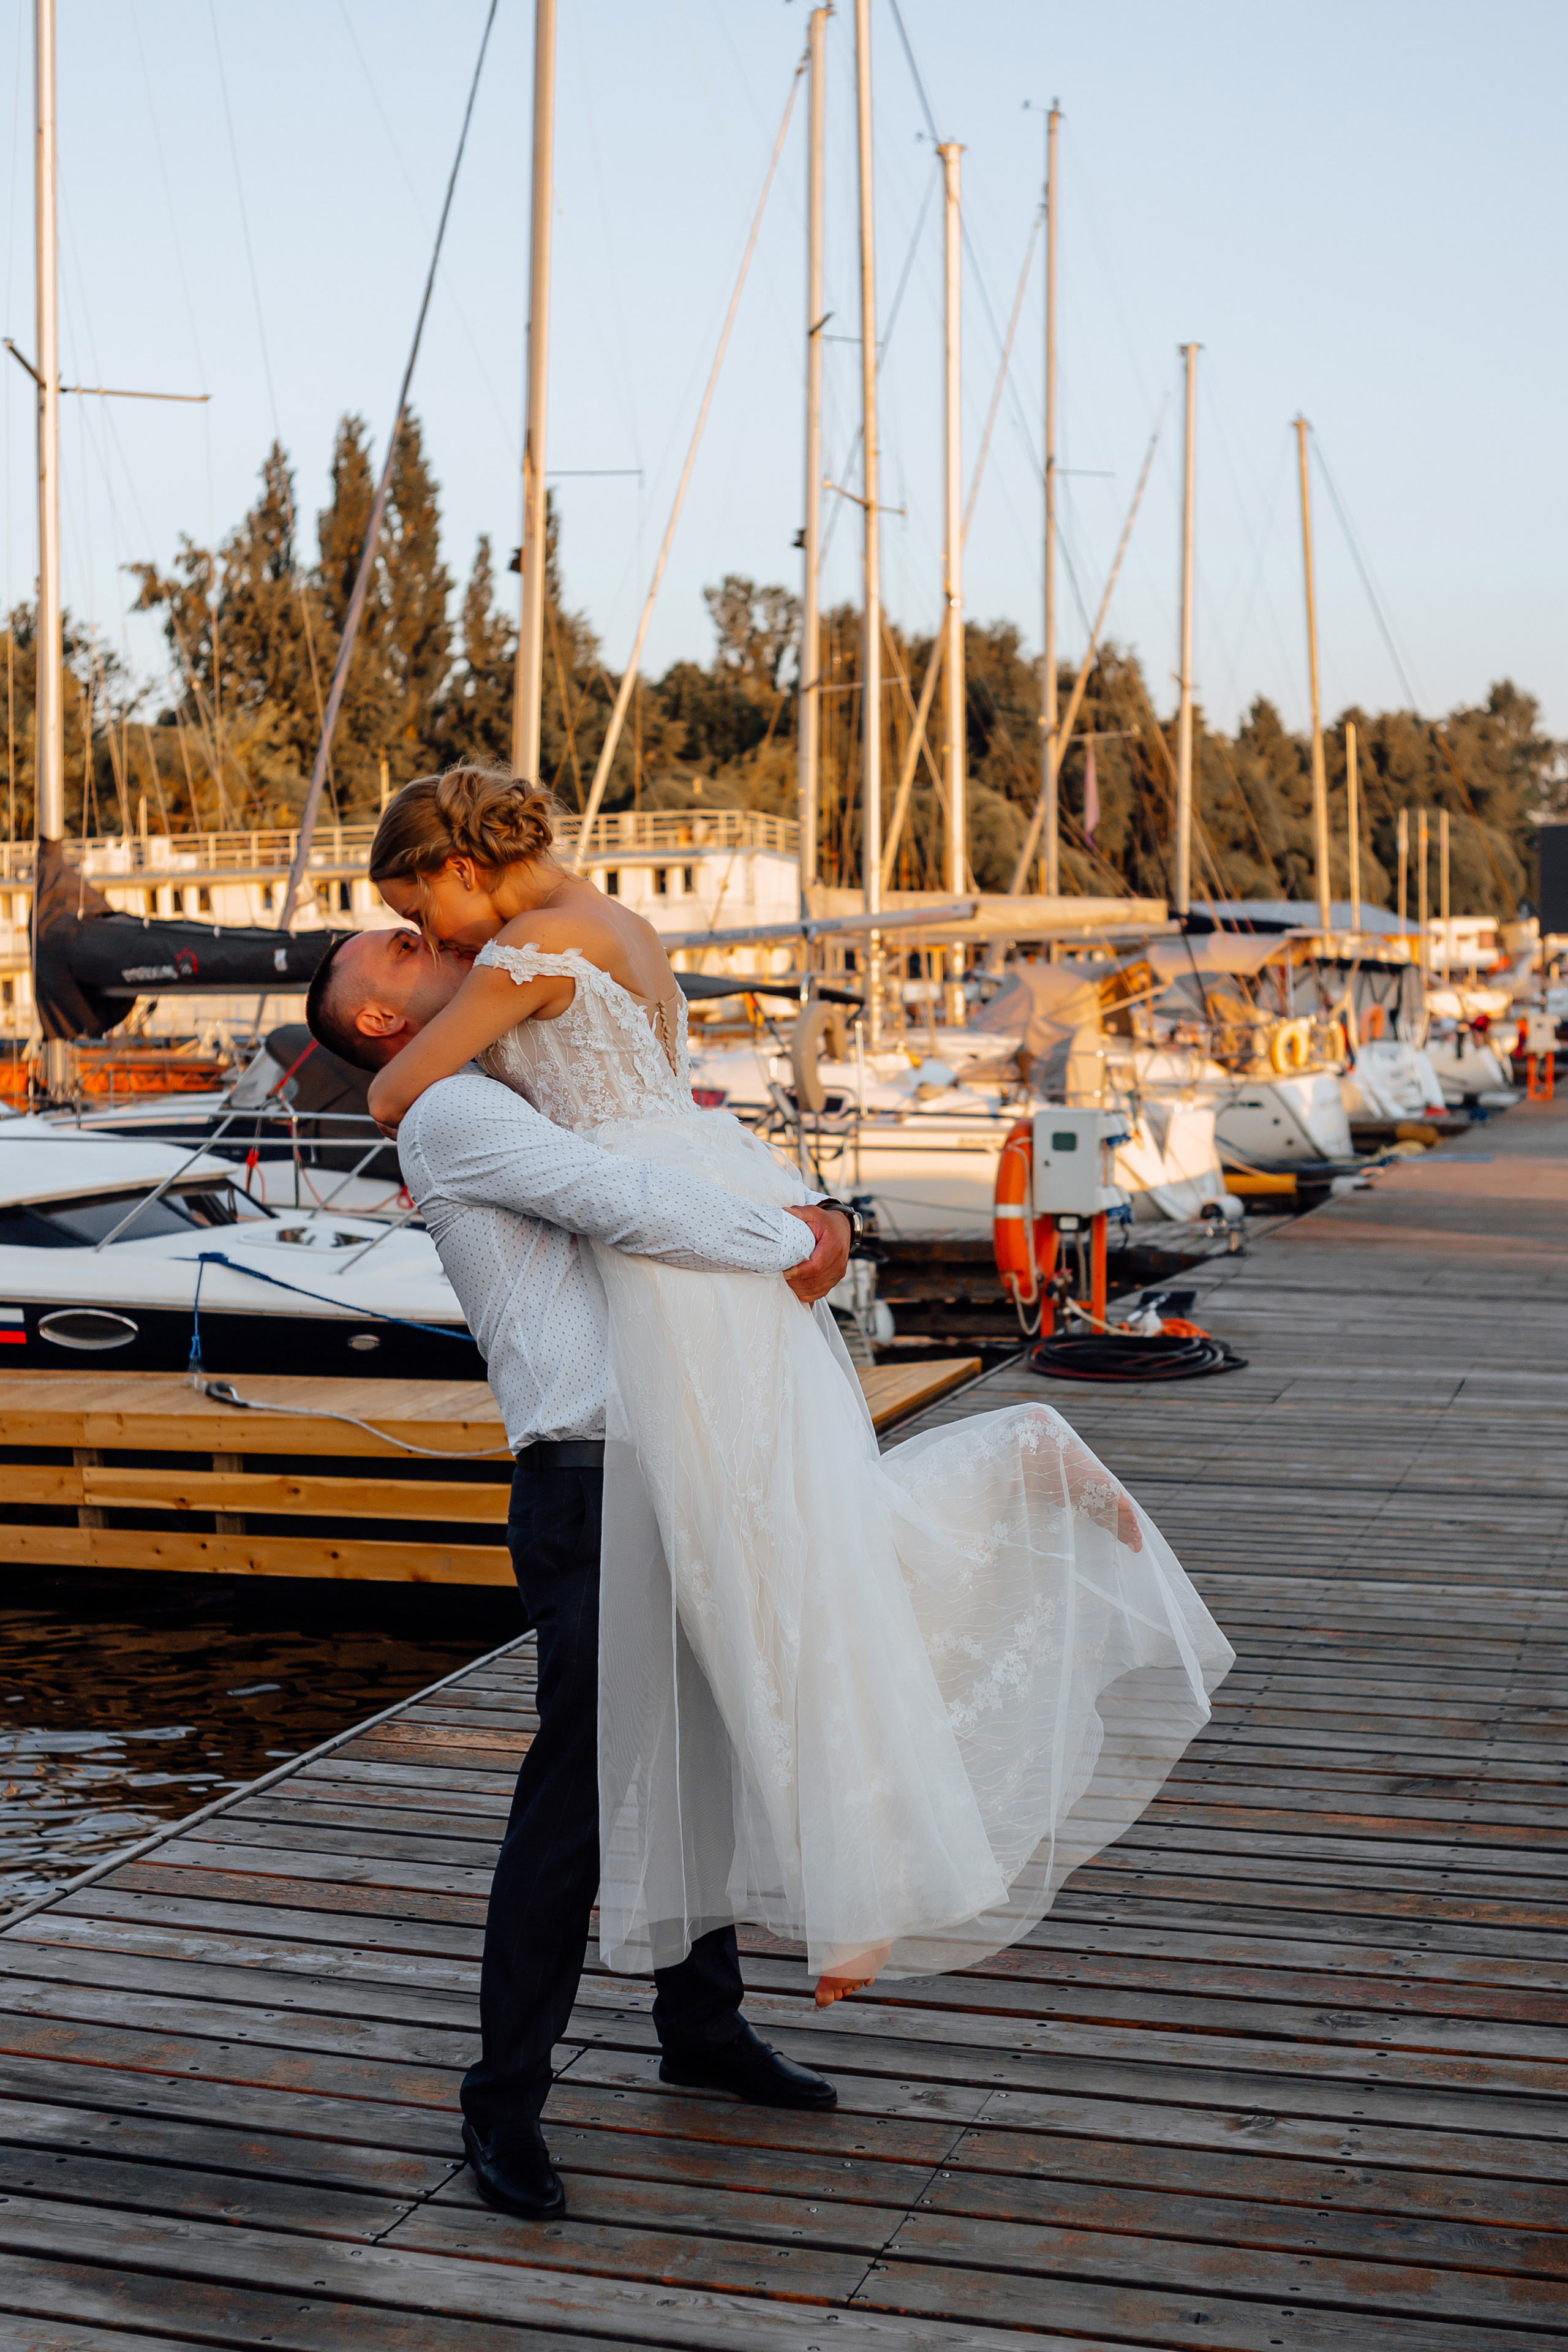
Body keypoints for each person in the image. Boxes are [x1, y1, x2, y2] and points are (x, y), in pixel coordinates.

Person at [361, 768, 1232, 2050]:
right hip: (697, 1189)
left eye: (426, 915)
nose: (443, 945)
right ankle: (821, 1915)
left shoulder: (525, 957)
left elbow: (394, 1095)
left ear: (453, 865)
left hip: (671, 1240)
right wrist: (791, 1221)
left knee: (768, 1571)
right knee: (786, 1540)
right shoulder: (621, 931)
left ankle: (825, 1912)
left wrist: (454, 1036)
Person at [306, 922, 853, 2224]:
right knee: (575, 1802)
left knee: (709, 1745)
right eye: (379, 944)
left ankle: (699, 2028)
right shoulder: (445, 1111)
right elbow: (622, 1202)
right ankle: (500, 2100)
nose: (414, 933)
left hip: (685, 1452)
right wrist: (798, 1238)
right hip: (590, 1476)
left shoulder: (504, 1079)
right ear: (379, 1022)